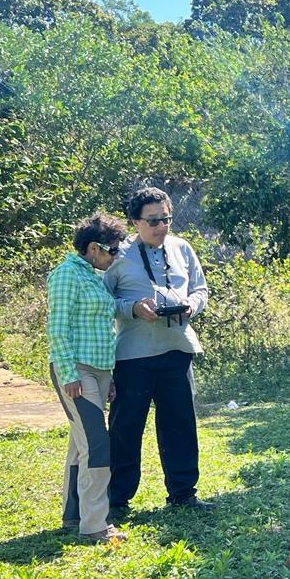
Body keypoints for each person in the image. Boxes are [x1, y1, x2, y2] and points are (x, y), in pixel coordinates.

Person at [103, 187, 212, 514]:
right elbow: (102, 302)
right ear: (135, 221)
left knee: (180, 424)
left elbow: (200, 289)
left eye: (166, 219)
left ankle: (182, 493)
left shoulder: (182, 248)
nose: (161, 226)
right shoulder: (118, 255)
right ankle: (117, 500)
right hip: (133, 356)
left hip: (177, 349)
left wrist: (191, 305)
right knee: (126, 428)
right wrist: (133, 308)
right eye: (153, 221)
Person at [47, 212, 129, 543]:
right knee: (97, 443)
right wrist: (68, 374)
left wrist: (107, 377)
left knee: (80, 442)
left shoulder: (93, 275)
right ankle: (95, 525)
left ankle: (73, 514)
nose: (115, 256)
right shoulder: (66, 275)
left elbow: (99, 327)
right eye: (112, 250)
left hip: (97, 370)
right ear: (93, 248)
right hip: (75, 370)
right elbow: (58, 328)